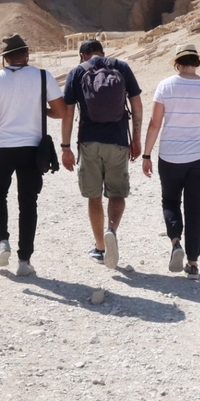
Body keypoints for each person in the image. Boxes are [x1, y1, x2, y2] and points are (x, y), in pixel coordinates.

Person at [0, 34, 66, 277]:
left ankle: (2, 241)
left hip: (2, 147)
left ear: (6, 58)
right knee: (28, 202)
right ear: (27, 53)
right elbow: (61, 111)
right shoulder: (43, 76)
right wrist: (39, 109)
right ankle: (24, 260)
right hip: (32, 148)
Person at [141, 43, 200, 279]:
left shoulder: (165, 86)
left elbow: (155, 124)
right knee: (195, 208)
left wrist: (147, 155)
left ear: (177, 63)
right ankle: (193, 263)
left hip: (171, 156)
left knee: (170, 201)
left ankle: (176, 241)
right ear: (196, 62)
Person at [60, 38, 142, 269]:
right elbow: (137, 105)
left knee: (93, 195)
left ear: (82, 55)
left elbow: (68, 113)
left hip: (89, 142)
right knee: (117, 193)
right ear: (103, 53)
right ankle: (111, 230)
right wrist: (136, 139)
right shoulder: (122, 67)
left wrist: (65, 147)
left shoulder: (77, 72)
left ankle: (100, 248)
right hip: (118, 141)